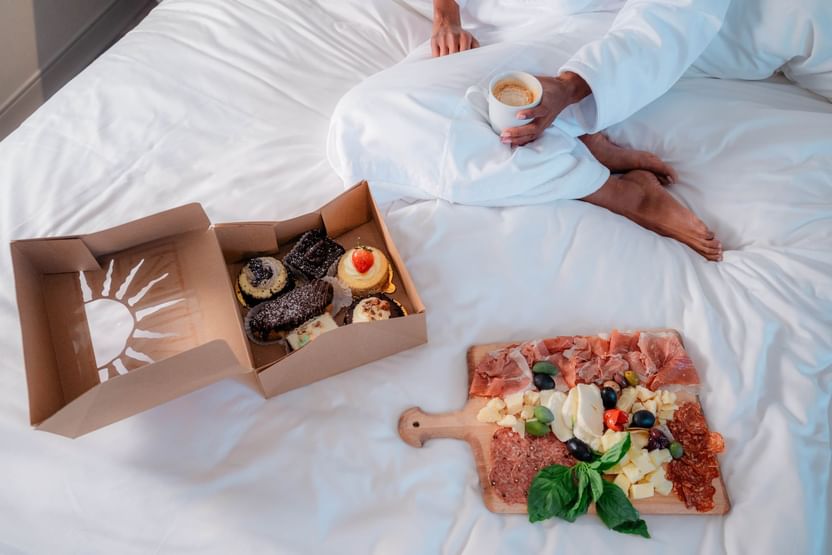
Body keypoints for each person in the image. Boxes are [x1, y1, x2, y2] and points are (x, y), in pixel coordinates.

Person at [429, 0, 831, 261]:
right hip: (536, 18)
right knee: (425, 119)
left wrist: (572, 87)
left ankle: (622, 190)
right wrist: (447, 16)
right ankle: (596, 157)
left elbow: (669, 19)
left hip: (675, 24)